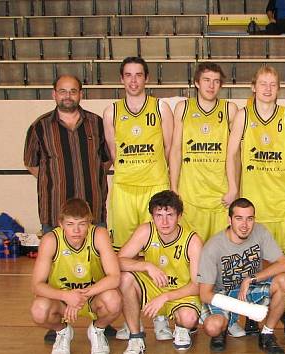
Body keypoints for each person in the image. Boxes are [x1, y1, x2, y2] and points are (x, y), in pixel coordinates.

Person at [23, 74, 114, 344]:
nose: (67, 96)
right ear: (54, 94)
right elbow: (32, 165)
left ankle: (101, 319)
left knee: (97, 266)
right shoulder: (40, 127)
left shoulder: (96, 123)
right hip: (54, 211)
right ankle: (58, 322)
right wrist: (57, 182)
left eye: (72, 91)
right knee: (55, 269)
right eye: (62, 91)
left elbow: (106, 162)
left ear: (80, 94)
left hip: (93, 211)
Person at [225, 65, 285, 259]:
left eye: (272, 85)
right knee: (253, 263)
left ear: (278, 89)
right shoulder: (243, 116)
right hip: (255, 205)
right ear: (253, 87)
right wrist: (233, 188)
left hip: (284, 204)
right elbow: (230, 154)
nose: (267, 89)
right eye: (263, 84)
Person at [198, 198, 285, 354]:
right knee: (212, 327)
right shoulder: (213, 247)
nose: (245, 225)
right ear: (229, 220)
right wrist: (243, 308)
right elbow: (204, 294)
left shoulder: (259, 232)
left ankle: (267, 334)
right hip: (223, 294)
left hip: (249, 289)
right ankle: (225, 325)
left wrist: (251, 278)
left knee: (283, 280)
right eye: (239, 218)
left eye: (250, 218)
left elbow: (284, 264)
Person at [30, 198, 121, 354]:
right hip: (62, 300)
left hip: (93, 296)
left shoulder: (99, 234)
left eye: (82, 224)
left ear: (90, 222)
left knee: (114, 300)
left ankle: (97, 330)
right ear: (61, 223)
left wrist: (80, 296)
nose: (76, 230)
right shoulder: (50, 240)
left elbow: (115, 277)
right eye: (70, 224)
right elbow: (36, 286)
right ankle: (62, 331)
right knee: (39, 311)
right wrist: (66, 296)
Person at [102, 56, 174, 250]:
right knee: (124, 248)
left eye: (138, 75)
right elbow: (114, 151)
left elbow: (169, 148)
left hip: (155, 186)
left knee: (157, 246)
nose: (133, 81)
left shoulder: (161, 108)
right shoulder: (111, 112)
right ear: (121, 79)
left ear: (147, 78)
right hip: (124, 187)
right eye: (128, 75)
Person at [118, 190, 203, 353]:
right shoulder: (146, 231)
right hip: (153, 288)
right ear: (152, 216)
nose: (164, 222)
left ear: (179, 216)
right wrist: (146, 266)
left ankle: (181, 327)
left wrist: (165, 297)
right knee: (124, 278)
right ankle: (136, 337)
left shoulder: (192, 241)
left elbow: (196, 285)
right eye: (159, 215)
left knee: (189, 318)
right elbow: (117, 261)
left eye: (169, 215)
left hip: (181, 293)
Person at [169, 62, 239, 242]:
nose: (211, 85)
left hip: (220, 195)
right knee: (192, 251)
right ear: (197, 83)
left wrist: (234, 188)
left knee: (221, 253)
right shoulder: (183, 108)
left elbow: (235, 155)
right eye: (206, 80)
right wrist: (174, 188)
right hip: (190, 195)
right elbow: (176, 150)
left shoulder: (230, 110)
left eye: (216, 81)